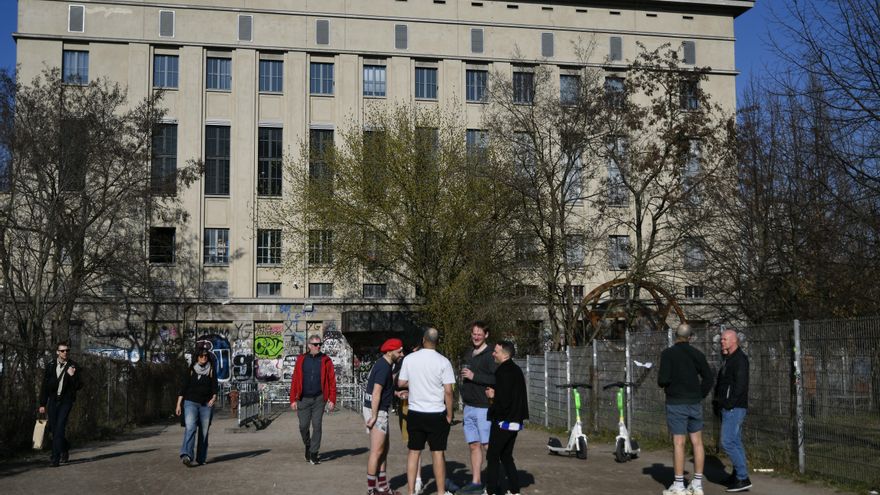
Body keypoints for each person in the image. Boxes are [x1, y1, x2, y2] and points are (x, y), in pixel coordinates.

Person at [657, 323, 714, 495]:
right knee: (697, 442)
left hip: (676, 403)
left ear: (676, 335)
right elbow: (708, 378)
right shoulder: (697, 354)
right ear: (690, 337)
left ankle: (679, 485)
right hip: (694, 402)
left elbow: (662, 380)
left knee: (679, 443)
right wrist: (699, 394)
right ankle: (697, 484)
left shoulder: (668, 354)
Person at [398, 328, 456, 495]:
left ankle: (410, 491)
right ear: (437, 341)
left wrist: (415, 383)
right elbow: (448, 392)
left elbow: (401, 382)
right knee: (438, 453)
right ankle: (440, 492)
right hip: (436, 413)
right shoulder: (444, 362)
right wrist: (450, 415)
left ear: (423, 340)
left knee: (413, 452)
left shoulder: (410, 359)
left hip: (415, 412)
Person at [484, 340, 528, 495]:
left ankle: (491, 491)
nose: (493, 354)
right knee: (506, 456)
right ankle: (515, 490)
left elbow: (503, 401)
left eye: (496, 351)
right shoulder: (516, 370)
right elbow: (515, 397)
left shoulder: (503, 371)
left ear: (504, 353)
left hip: (503, 422)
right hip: (515, 421)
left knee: (493, 456)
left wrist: (492, 397)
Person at [458, 321, 497, 495]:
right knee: (473, 445)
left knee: (488, 445)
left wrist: (474, 376)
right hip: (469, 406)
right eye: (474, 333)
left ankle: (494, 482)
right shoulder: (469, 353)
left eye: (479, 333)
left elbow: (496, 379)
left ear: (486, 335)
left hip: (483, 407)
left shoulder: (491, 355)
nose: (476, 336)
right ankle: (476, 482)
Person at [364, 338, 405, 495]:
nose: (402, 354)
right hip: (378, 411)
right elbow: (376, 392)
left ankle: (382, 487)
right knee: (376, 451)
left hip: (379, 409)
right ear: (390, 351)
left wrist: (395, 393)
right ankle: (372, 490)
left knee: (384, 449)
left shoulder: (386, 365)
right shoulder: (383, 367)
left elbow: (383, 389)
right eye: (399, 351)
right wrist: (374, 416)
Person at [290, 333, 337, 465]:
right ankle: (308, 445)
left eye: (320, 344)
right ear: (309, 346)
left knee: (317, 425)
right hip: (303, 399)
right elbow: (295, 380)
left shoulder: (326, 360)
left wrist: (332, 399)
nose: (318, 347)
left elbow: (332, 381)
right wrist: (292, 399)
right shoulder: (301, 359)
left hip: (319, 399)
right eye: (316, 344)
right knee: (303, 426)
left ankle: (314, 453)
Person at [714, 329, 752, 492]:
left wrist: (729, 403)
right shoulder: (728, 359)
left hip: (734, 408)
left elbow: (740, 386)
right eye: (721, 339)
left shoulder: (739, 360)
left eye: (725, 339)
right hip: (728, 406)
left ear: (734, 341)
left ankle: (743, 477)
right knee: (735, 441)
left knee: (727, 441)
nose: (722, 342)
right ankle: (738, 475)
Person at [38, 341, 82, 467]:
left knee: (60, 427)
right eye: (62, 350)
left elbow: (79, 385)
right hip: (52, 401)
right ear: (57, 352)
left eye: (67, 350)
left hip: (66, 401)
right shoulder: (51, 365)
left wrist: (72, 376)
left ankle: (54, 458)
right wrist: (42, 403)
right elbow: (45, 386)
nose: (65, 352)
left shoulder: (74, 366)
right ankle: (65, 447)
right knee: (53, 428)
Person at [175, 345, 218, 467]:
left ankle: (201, 458)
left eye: (206, 356)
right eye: (201, 356)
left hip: (206, 404)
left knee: (204, 432)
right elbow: (183, 387)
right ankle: (187, 455)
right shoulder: (191, 370)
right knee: (190, 428)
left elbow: (215, 386)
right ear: (197, 357)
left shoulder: (211, 370)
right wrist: (178, 404)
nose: (204, 358)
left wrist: (213, 398)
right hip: (190, 402)